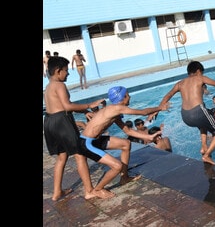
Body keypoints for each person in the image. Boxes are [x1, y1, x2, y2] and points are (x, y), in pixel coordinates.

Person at [153, 61, 215, 165]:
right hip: (198, 112)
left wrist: (157, 110)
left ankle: (204, 147)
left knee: (203, 123)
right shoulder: (200, 78)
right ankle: (207, 155)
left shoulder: (180, 83)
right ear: (198, 71)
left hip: (185, 116)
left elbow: (167, 96)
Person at [78, 86, 169, 197]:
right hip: (87, 143)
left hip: (94, 140)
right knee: (117, 166)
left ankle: (124, 177)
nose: (129, 96)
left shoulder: (114, 111)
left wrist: (149, 138)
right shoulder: (117, 108)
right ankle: (97, 190)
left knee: (126, 144)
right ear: (123, 97)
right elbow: (143, 112)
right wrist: (160, 108)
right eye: (128, 94)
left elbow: (128, 131)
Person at [43, 56, 112, 201]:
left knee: (62, 157)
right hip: (62, 122)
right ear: (57, 71)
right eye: (66, 71)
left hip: (49, 121)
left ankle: (57, 192)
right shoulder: (60, 85)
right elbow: (67, 106)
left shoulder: (48, 86)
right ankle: (89, 191)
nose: (68, 73)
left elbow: (62, 104)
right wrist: (89, 105)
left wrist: (84, 111)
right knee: (80, 154)